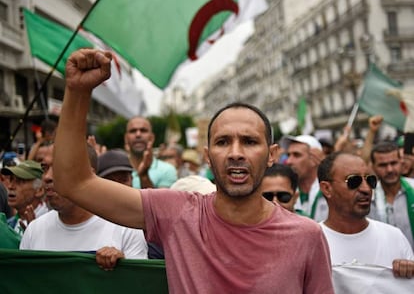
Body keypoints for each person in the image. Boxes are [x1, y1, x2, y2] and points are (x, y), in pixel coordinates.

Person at [53, 48, 334, 294]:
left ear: (272, 155)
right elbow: (75, 183)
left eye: (249, 141)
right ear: (208, 157)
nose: (236, 152)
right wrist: (77, 93)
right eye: (223, 142)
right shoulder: (176, 214)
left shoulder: (306, 236)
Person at [20, 143, 148, 270]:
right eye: (45, 168)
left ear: (88, 175)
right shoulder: (33, 231)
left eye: (60, 167)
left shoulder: (126, 229)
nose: (47, 177)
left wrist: (123, 268)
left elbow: (140, 285)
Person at [318, 151, 414, 279]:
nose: (366, 189)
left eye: (370, 180)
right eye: (354, 181)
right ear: (327, 189)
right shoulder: (312, 242)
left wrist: (409, 272)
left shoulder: (394, 238)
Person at [369, 141, 414, 249]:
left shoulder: (412, 188)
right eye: (383, 165)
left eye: (393, 163)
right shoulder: (367, 198)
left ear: (401, 163)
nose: (389, 170)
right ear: (373, 167)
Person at [280, 134, 328, 221]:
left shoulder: (331, 190)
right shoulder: (280, 193)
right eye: (288, 155)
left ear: (314, 159)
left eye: (296, 155)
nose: (289, 161)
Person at [124, 116, 177, 188]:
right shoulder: (116, 170)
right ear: (126, 138)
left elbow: (161, 199)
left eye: (143, 130)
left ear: (152, 138)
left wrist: (144, 176)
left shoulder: (167, 170)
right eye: (133, 131)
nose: (138, 134)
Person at [1, 160, 48, 235]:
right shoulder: (7, 225)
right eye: (11, 179)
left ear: (39, 190)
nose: (10, 186)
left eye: (20, 181)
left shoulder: (51, 223)